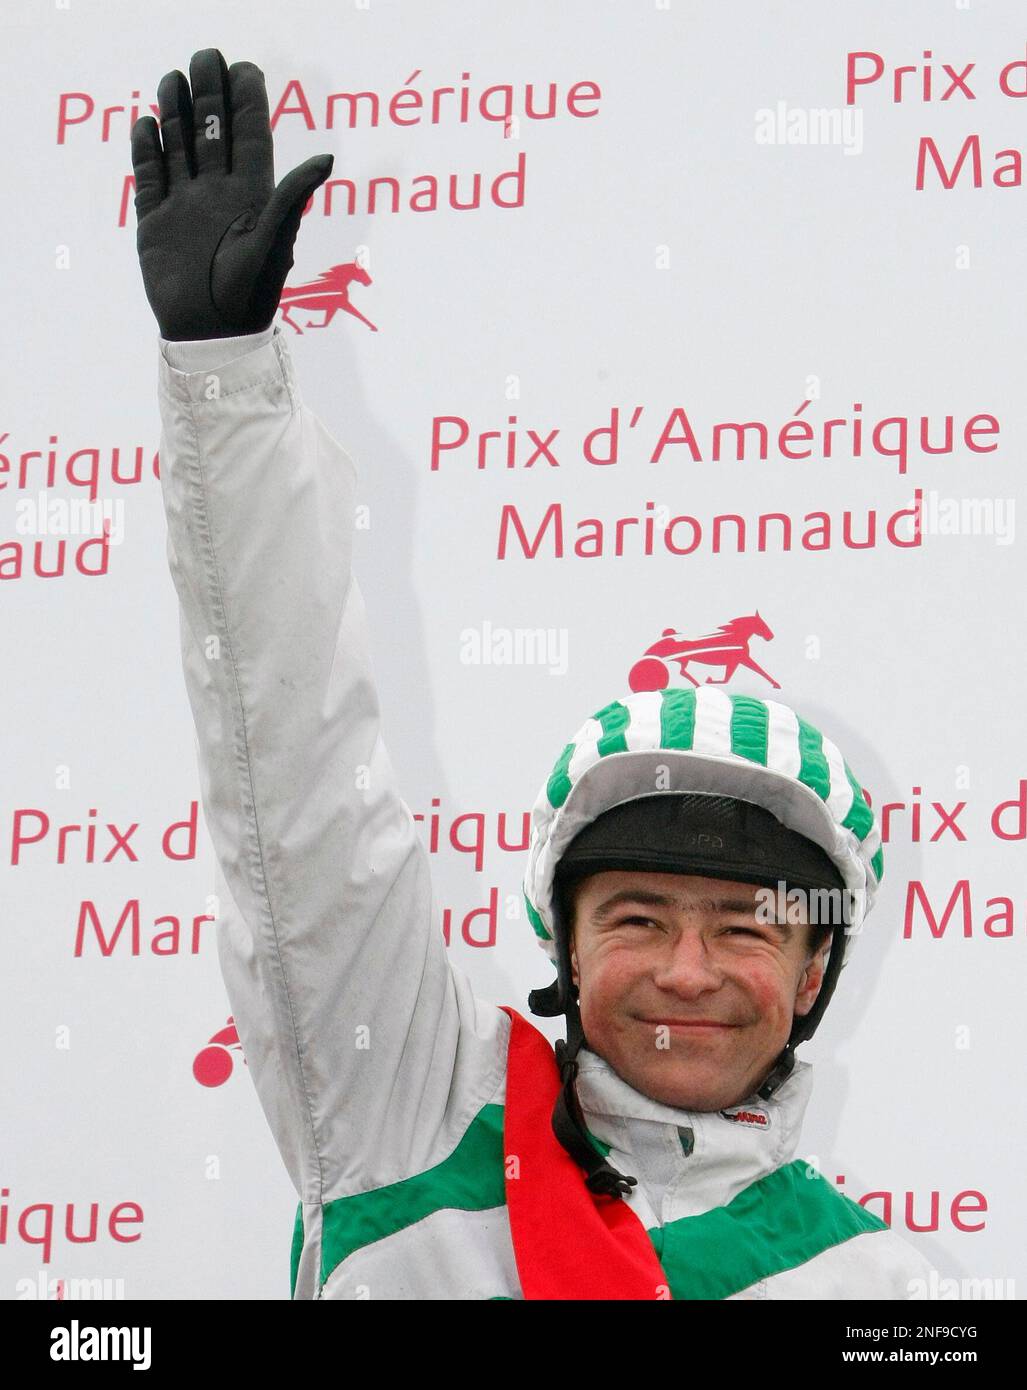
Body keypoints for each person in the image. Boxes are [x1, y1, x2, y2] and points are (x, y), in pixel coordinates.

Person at [133, 48, 937, 1300]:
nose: (686, 971)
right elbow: (292, 793)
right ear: (557, 938)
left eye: (744, 926)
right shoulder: (405, 1112)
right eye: (636, 917)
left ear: (815, 969)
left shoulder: (889, 1294)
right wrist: (226, 383)